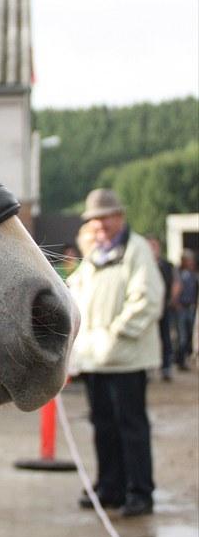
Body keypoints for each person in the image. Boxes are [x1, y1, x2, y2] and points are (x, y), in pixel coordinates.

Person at [67, 188, 163, 518]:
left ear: (119, 217)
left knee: (131, 426)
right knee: (103, 425)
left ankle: (140, 491)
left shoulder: (136, 251)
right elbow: (75, 295)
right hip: (96, 359)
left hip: (126, 359)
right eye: (94, 220)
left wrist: (115, 334)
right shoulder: (93, 256)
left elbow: (148, 300)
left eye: (105, 217)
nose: (100, 225)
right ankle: (110, 487)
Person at [146, 235, 177, 381]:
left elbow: (176, 283)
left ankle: (166, 367)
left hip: (164, 308)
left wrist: (171, 300)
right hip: (147, 310)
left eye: (154, 246)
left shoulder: (167, 265)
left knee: (166, 338)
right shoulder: (143, 265)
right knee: (148, 338)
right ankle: (148, 368)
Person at [174, 249, 198, 371]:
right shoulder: (177, 273)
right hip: (181, 308)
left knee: (189, 335)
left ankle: (184, 358)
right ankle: (180, 360)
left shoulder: (194, 274)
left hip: (191, 308)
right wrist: (175, 303)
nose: (191, 262)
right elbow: (175, 289)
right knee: (182, 336)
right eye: (188, 260)